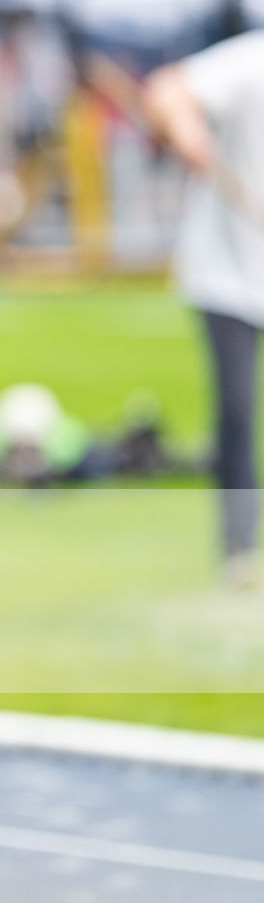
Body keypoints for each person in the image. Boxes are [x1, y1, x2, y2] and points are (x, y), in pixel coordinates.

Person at [144, 34, 264, 588]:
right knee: (236, 412)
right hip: (228, 272)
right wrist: (187, 131)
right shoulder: (249, 61)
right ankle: (239, 550)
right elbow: (167, 91)